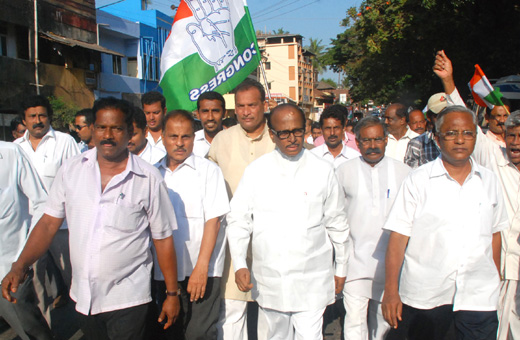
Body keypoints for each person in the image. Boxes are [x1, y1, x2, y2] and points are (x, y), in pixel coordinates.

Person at [2, 97, 181, 340]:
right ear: (93, 129)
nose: (108, 135)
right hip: (83, 296)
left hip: (128, 298)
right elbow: (47, 224)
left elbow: (163, 239)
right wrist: (20, 265)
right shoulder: (72, 170)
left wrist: (172, 295)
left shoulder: (148, 179)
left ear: (129, 131)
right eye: (101, 127)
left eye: (116, 128)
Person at [382, 106, 507, 340]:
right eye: (451, 133)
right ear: (438, 139)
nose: (460, 140)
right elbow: (398, 238)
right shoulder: (418, 180)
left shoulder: (489, 181)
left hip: (479, 296)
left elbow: (495, 234)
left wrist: (495, 278)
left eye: (468, 133)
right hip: (427, 296)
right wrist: (391, 291)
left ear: (476, 138)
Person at [227, 103, 348, 339]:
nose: (292, 138)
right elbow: (239, 219)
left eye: (298, 131)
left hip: (313, 277)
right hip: (271, 278)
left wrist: (341, 267)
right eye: (284, 133)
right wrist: (240, 262)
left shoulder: (323, 170)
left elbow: (337, 222)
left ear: (306, 130)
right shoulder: (256, 171)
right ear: (272, 135)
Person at [208, 78, 275, 340]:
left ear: (264, 105)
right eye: (240, 106)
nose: (246, 111)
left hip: (272, 238)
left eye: (252, 105)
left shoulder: (278, 138)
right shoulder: (222, 141)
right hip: (232, 238)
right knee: (233, 310)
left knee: (273, 312)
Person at [154, 110, 230, 339]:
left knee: (199, 333)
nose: (179, 143)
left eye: (185, 137)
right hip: (165, 272)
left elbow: (213, 221)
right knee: (171, 330)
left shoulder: (208, 171)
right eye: (173, 136)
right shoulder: (153, 173)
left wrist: (201, 268)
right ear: (164, 137)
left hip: (201, 270)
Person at [336, 117, 411, 340]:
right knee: (354, 323)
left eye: (378, 139)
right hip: (355, 262)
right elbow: (336, 217)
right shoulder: (343, 171)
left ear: (386, 140)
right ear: (357, 143)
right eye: (366, 141)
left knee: (384, 323)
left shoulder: (404, 172)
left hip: (390, 264)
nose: (372, 145)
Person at [14, 95, 79, 323]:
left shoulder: (64, 142)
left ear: (49, 116)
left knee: (74, 279)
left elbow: (78, 182)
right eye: (32, 116)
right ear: (24, 120)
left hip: (62, 226)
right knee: (35, 283)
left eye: (42, 115)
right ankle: (46, 332)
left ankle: (88, 328)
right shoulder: (15, 150)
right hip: (30, 228)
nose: (38, 120)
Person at [0, 141, 53, 340]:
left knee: (28, 327)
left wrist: (24, 256)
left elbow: (41, 203)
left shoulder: (9, 153)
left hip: (9, 266)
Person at [404, 50, 466, 169]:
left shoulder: (462, 142)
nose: (445, 120)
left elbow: (464, 114)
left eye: (448, 115)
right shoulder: (417, 144)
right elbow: (412, 178)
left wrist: (448, 79)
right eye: (439, 115)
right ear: (429, 117)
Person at [194, 91, 226, 157]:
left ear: (224, 113)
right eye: (205, 111)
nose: (210, 117)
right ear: (198, 114)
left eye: (215, 111)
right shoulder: (190, 142)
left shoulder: (234, 141)